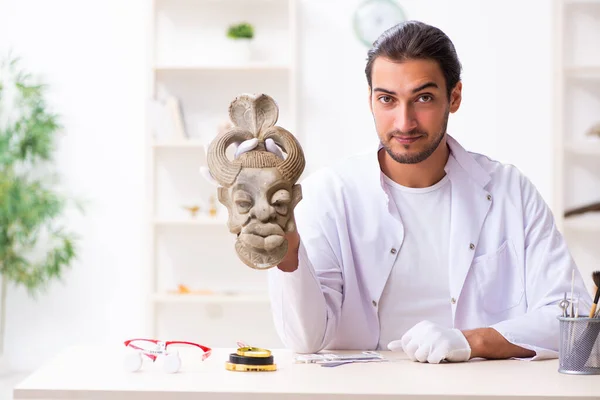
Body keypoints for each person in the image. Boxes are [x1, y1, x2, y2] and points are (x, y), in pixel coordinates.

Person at [225, 20, 592, 364]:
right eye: (387, 99)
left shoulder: (510, 191)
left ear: (455, 97)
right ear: (370, 99)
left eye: (424, 98)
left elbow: (572, 320)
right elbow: (306, 340)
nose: (404, 122)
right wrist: (289, 249)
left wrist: (472, 340)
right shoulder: (330, 193)